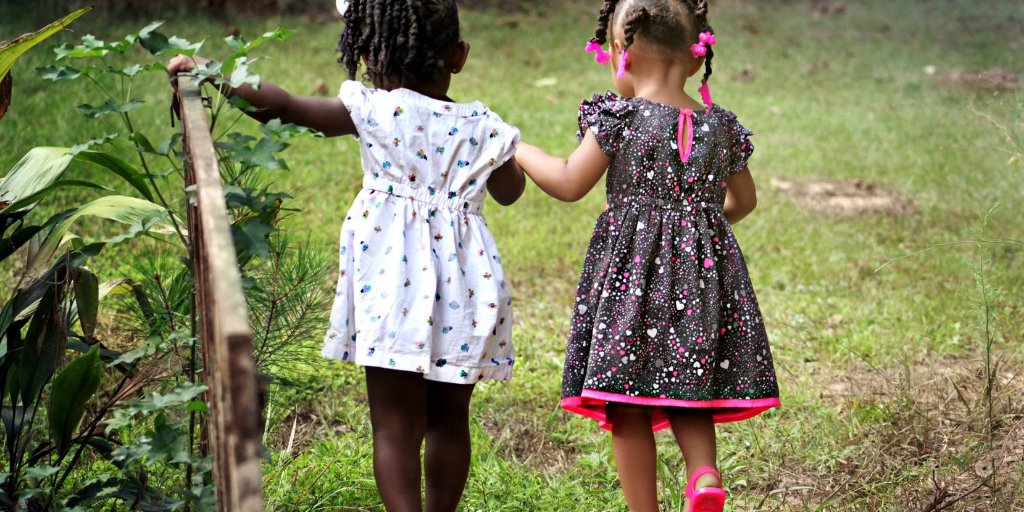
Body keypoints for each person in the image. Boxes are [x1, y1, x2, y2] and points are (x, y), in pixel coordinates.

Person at [168, 1, 525, 510]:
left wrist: (213, 74)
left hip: (391, 287)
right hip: (466, 292)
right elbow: (511, 191)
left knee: (396, 426)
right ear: (459, 56)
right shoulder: (482, 124)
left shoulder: (376, 110)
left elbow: (284, 106)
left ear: (366, 55)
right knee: (450, 419)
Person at [513, 1, 780, 510]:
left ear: (621, 54)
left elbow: (570, 182)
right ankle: (704, 475)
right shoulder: (721, 127)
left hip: (630, 284)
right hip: (703, 281)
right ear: (696, 57)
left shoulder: (620, 117)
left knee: (627, 403)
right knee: (688, 383)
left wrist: (518, 149)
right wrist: (697, 219)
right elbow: (742, 202)